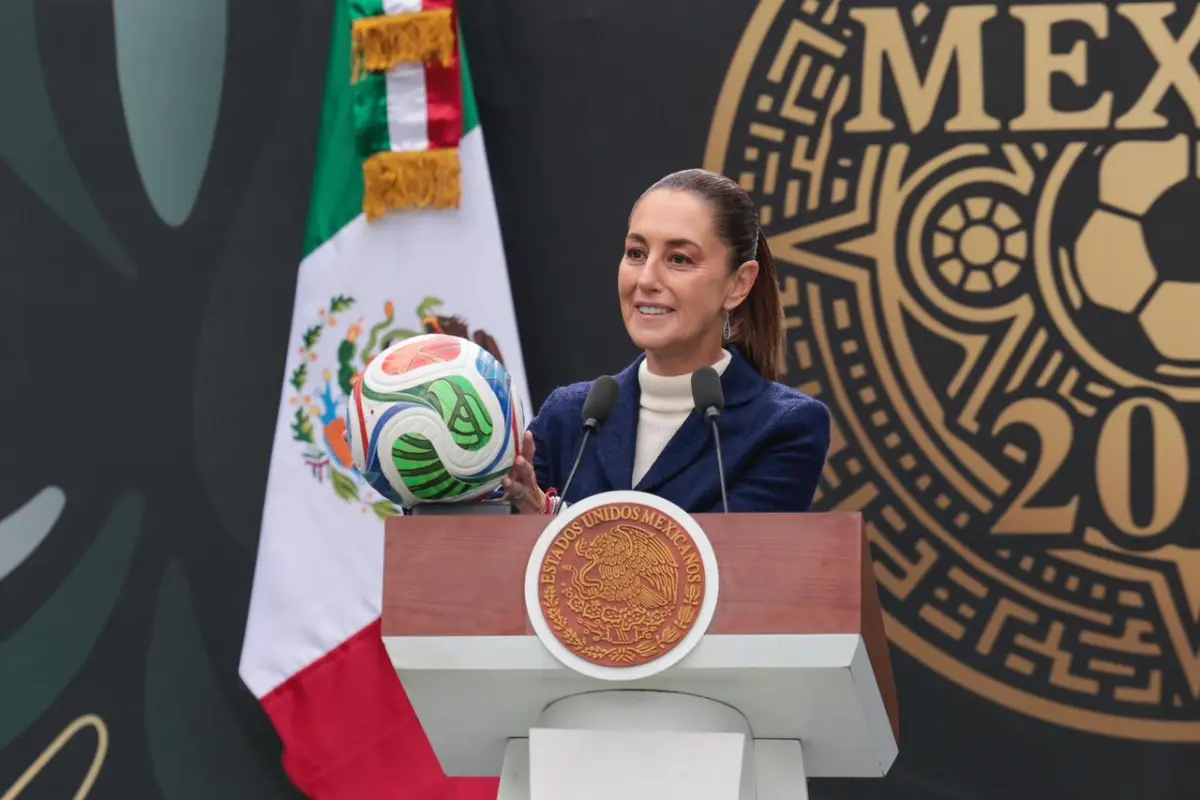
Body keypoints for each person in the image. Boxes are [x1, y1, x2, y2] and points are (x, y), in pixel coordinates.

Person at [501, 168, 831, 514]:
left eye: (679, 259)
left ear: (739, 284)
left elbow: (711, 561)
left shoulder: (785, 427)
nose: (646, 279)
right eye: (636, 253)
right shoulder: (569, 416)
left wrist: (553, 515)